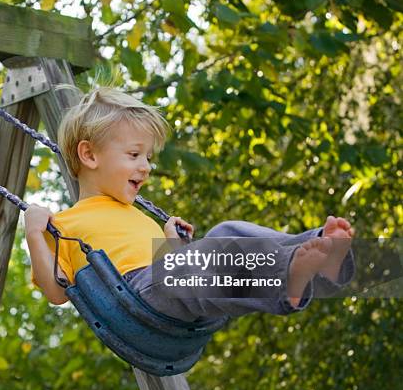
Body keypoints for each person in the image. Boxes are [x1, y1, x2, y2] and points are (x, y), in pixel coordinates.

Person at [24, 86, 355, 322]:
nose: (147, 166)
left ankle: (308, 252)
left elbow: (169, 271)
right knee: (216, 249)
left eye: (148, 157)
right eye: (134, 154)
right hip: (133, 300)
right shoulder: (64, 224)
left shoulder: (134, 214)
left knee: (228, 232)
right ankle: (289, 272)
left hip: (162, 284)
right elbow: (56, 293)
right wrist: (35, 234)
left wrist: (171, 243)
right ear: (90, 155)